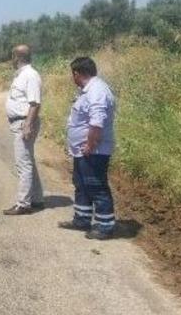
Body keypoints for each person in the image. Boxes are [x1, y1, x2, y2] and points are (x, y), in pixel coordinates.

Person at [58, 57, 117, 240]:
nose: (72, 77)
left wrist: (90, 145)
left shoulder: (97, 90)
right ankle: (81, 219)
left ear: (77, 73)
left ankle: (105, 226)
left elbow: (97, 122)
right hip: (83, 150)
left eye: (72, 74)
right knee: (82, 185)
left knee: (96, 186)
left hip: (94, 151)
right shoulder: (87, 90)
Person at [3, 45, 46, 215]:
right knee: (28, 161)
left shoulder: (30, 75)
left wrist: (28, 124)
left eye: (12, 56)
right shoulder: (21, 75)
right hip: (20, 122)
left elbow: (34, 103)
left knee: (23, 164)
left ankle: (23, 204)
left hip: (24, 123)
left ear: (17, 57)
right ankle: (37, 199)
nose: (11, 60)